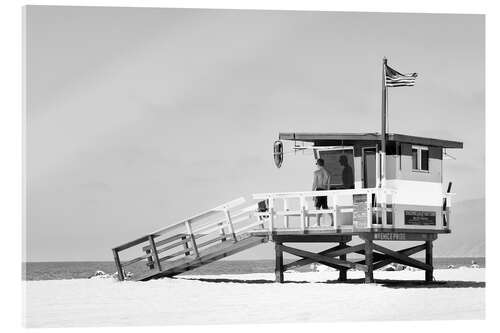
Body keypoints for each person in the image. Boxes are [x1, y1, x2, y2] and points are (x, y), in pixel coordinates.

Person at [312, 158, 333, 226]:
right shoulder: (328, 173)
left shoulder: (316, 172)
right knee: (325, 207)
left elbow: (314, 184)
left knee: (317, 207)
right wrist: (327, 193)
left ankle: (318, 224)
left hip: (318, 190)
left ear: (318, 164)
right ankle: (333, 219)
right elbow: (329, 186)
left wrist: (313, 194)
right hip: (325, 191)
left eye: (317, 164)